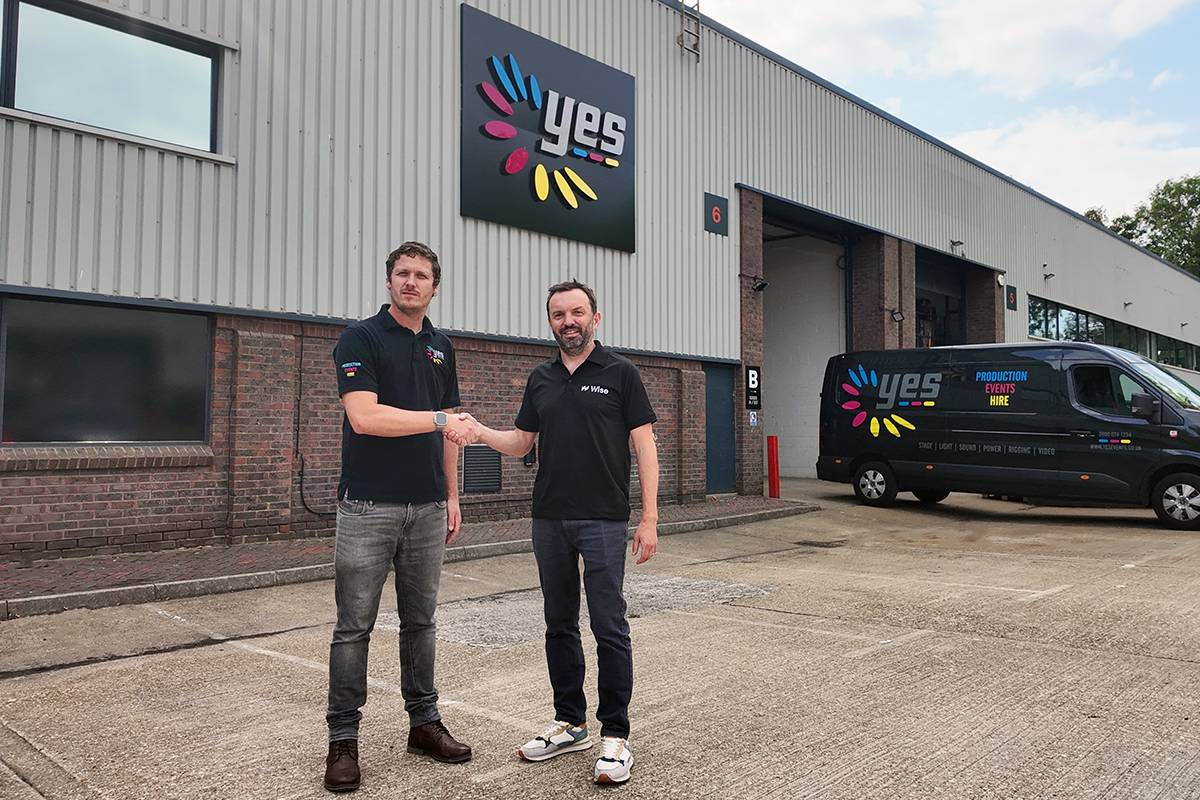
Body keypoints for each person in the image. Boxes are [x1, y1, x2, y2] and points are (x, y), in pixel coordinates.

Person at [451, 279, 659, 785]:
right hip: (549, 519)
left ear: (595, 318)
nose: (569, 321)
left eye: (577, 312)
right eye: (559, 314)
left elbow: (645, 446)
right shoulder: (540, 378)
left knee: (609, 626)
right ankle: (571, 723)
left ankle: (616, 736)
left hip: (604, 519)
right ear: (550, 322)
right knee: (559, 624)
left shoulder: (621, 373)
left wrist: (650, 518)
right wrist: (478, 432)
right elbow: (521, 443)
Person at [323, 241, 476, 793]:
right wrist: (437, 419)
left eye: (422, 275)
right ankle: (343, 740)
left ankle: (423, 724)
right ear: (389, 281)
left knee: (421, 623)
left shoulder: (441, 347)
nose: (412, 282)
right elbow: (365, 417)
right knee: (353, 628)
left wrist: (452, 496)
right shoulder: (360, 338)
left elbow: (451, 430)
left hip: (428, 507)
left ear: (435, 286)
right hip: (368, 505)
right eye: (403, 273)